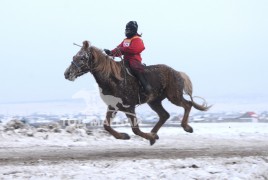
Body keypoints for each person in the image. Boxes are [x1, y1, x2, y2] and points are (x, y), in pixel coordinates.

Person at [104, 21, 152, 95]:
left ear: (133, 30)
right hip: (126, 60)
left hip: (134, 60)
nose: (127, 31)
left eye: (129, 30)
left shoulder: (137, 39)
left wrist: (122, 49)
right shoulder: (125, 40)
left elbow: (135, 49)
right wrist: (111, 52)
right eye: (126, 30)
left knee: (135, 69)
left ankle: (146, 87)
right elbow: (119, 49)